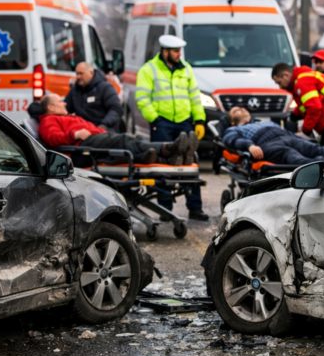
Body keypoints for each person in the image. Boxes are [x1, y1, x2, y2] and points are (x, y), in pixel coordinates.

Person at [135, 34, 207, 221]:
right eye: (176, 51)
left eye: (179, 51)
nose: (179, 54)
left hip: (184, 121)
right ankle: (165, 210)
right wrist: (155, 119)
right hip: (162, 123)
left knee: (190, 162)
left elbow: (195, 97)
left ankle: (195, 208)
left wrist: (199, 120)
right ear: (165, 51)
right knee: (163, 165)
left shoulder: (186, 69)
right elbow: (142, 98)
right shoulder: (149, 69)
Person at [38, 94, 188, 165]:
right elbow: (52, 138)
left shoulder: (66, 117)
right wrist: (74, 134)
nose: (64, 103)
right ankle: (167, 148)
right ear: (51, 108)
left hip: (91, 141)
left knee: (135, 139)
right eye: (60, 102)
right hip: (81, 148)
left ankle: (170, 158)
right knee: (124, 139)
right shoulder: (48, 120)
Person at [223, 107, 324, 165]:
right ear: (232, 121)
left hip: (287, 137)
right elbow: (233, 140)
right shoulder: (233, 129)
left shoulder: (265, 122)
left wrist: (302, 137)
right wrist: (250, 146)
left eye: (242, 107)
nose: (242, 108)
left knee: (315, 148)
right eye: (236, 110)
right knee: (289, 154)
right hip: (266, 144)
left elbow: (289, 132)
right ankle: (319, 165)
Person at [65, 62, 124, 132]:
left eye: (81, 73)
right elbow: (65, 109)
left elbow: (116, 109)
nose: (78, 77)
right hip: (83, 132)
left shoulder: (105, 88)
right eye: (77, 74)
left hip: (103, 131)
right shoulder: (75, 91)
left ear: (91, 73)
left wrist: (104, 125)